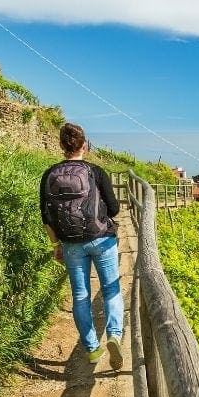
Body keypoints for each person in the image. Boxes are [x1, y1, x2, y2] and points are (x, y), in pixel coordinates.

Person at [40, 123, 124, 369]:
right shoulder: (95, 171)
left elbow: (46, 216)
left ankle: (92, 348)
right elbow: (115, 208)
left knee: (80, 295)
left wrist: (56, 244)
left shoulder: (49, 175)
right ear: (84, 145)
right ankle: (115, 335)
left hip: (71, 244)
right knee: (111, 289)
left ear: (61, 146)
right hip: (102, 238)